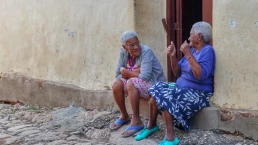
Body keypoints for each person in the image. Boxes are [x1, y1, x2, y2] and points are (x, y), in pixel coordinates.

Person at [135, 21, 215, 145]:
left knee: (164, 94)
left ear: (199, 36)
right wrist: (173, 56)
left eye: (191, 34)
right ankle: (151, 126)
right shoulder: (193, 51)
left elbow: (200, 75)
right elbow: (177, 71)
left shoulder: (207, 51)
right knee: (157, 89)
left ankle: (170, 137)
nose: (189, 38)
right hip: (181, 89)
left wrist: (187, 53)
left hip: (199, 94)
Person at [109, 30, 166, 137]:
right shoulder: (123, 53)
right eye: (131, 45)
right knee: (117, 84)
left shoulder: (146, 52)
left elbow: (145, 76)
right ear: (125, 47)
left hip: (154, 85)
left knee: (131, 82)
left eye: (137, 43)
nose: (136, 47)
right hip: (138, 84)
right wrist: (135, 71)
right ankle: (124, 116)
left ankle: (136, 121)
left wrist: (126, 72)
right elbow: (118, 74)